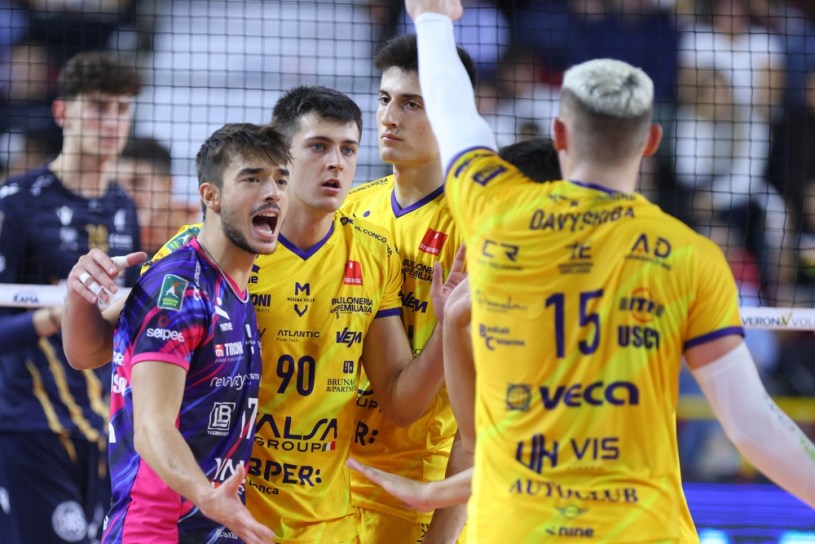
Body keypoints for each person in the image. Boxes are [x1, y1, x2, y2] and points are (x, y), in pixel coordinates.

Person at [400, 0, 815, 540]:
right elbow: (752, 426)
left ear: (559, 134)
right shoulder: (689, 255)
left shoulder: (493, 209)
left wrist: (432, 20)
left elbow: (455, 112)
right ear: (650, 141)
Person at [63, 85, 465, 543]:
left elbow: (400, 403)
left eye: (348, 149)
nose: (336, 163)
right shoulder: (207, 252)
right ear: (281, 153)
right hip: (220, 515)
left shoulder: (374, 255)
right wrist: (80, 294)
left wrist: (447, 329)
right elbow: (96, 351)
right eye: (319, 147)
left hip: (324, 522)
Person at [66, 122, 289, 543]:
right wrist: (209, 497)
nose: (273, 192)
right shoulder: (180, 287)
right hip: (157, 530)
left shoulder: (233, 285)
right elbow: (151, 428)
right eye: (252, 179)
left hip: (211, 527)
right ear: (210, 195)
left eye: (281, 180)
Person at [0, 50, 142, 544]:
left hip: (104, 428)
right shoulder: (18, 204)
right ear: (63, 112)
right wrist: (57, 314)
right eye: (99, 107)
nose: (112, 122)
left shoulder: (123, 207)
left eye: (122, 109)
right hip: (32, 425)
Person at [341, 33, 476, 543]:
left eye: (411, 104)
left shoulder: (474, 228)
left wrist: (443, 534)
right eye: (384, 99)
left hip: (421, 487)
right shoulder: (350, 207)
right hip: (333, 478)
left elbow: (482, 414)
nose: (388, 118)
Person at [114, 136, 201, 255]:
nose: (124, 193)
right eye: (115, 185)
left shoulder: (203, 239)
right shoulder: (112, 240)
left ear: (167, 185)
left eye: (137, 182)